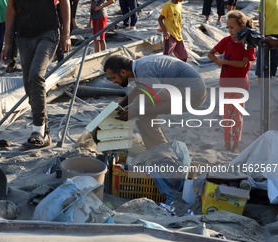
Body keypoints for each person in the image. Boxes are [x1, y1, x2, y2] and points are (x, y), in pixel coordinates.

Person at [1, 0, 71, 150]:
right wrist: (7, 43)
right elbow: (11, 9)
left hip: (48, 32)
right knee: (29, 86)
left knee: (35, 75)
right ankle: (44, 134)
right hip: (24, 36)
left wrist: (66, 34)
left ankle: (37, 130)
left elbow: (65, 2)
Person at [103, 55, 207, 150]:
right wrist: (118, 107)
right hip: (190, 88)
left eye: (113, 78)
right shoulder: (139, 66)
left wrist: (136, 111)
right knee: (140, 105)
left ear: (123, 72)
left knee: (141, 110)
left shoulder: (144, 74)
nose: (113, 82)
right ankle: (162, 146)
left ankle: (161, 152)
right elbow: (140, 88)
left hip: (193, 94)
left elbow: (170, 103)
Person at [208, 10, 255, 153]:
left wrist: (224, 61)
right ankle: (227, 143)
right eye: (228, 27)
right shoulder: (226, 41)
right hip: (225, 85)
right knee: (226, 116)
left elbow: (243, 64)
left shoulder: (248, 44)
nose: (229, 31)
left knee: (238, 117)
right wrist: (218, 61)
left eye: (232, 27)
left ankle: (236, 144)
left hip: (240, 86)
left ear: (241, 26)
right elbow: (210, 53)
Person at [255, 0, 278, 79]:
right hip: (267, 35)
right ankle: (260, 87)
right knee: (263, 64)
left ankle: (269, 87)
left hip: (277, 37)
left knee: (273, 64)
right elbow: (261, 15)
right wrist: (262, 35)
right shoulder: (264, 0)